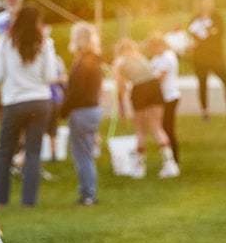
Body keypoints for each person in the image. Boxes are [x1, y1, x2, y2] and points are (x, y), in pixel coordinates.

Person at [0, 6, 57, 207]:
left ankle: (0, 199)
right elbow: (50, 76)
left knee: (5, 151)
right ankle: (29, 201)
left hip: (14, 102)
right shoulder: (45, 43)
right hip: (40, 101)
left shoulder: (6, 42)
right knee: (33, 152)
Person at [113, 38, 179, 180]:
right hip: (155, 88)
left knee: (140, 131)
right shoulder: (141, 57)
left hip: (139, 90)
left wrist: (121, 107)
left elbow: (120, 86)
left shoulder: (120, 62)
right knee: (157, 127)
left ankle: (139, 168)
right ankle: (170, 164)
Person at [61, 22, 106, 206]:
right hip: (93, 110)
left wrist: (62, 111)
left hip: (81, 111)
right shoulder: (95, 60)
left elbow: (76, 92)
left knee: (82, 155)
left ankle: (88, 194)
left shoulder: (82, 62)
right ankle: (88, 192)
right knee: (86, 153)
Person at [187, 0, 226, 121]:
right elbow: (192, 37)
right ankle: (205, 111)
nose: (209, 3)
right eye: (206, 0)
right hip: (200, 58)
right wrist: (208, 34)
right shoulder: (195, 19)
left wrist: (205, 36)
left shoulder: (217, 17)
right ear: (200, 2)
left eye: (210, 0)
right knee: (202, 84)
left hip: (215, 56)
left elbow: (219, 33)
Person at [148, 33, 183, 165]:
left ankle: (174, 158)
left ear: (160, 46)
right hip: (162, 97)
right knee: (163, 127)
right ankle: (169, 157)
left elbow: (159, 78)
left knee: (168, 128)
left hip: (170, 97)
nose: (152, 51)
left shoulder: (168, 57)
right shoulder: (157, 57)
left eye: (153, 48)